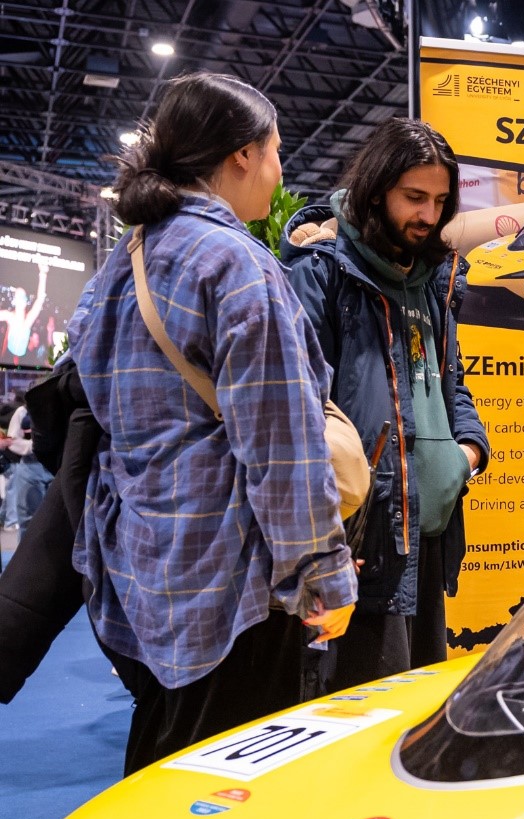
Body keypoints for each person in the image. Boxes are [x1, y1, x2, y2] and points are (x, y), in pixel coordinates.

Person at [65, 71, 357, 773]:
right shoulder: (238, 266)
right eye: (277, 151)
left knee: (158, 768)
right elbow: (280, 448)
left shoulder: (123, 259)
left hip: (139, 567)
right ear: (241, 157)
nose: (281, 170)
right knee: (231, 787)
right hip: (231, 586)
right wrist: (323, 578)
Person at [281, 117, 489, 690]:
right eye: (414, 198)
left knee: (416, 712)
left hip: (429, 535)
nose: (427, 215)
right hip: (362, 542)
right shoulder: (322, 275)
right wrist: (320, 548)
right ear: (376, 192)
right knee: (356, 718)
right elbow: (300, 422)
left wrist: (468, 453)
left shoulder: (433, 280)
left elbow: (453, 385)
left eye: (440, 201)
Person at [0, 390, 53, 539]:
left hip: (54, 465)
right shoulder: (23, 412)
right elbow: (13, 440)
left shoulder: (57, 408)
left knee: (55, 519)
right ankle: (26, 560)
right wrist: (34, 445)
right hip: (30, 467)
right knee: (28, 520)